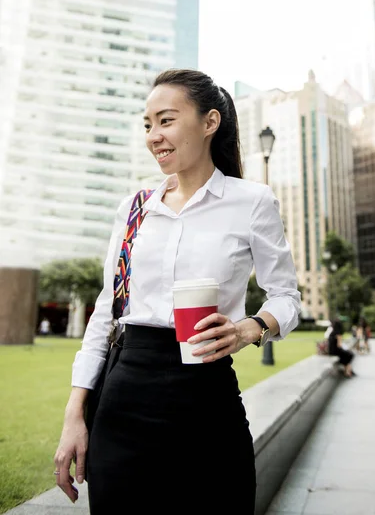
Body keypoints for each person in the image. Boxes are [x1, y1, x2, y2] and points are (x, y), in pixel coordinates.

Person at [53, 69, 301, 514]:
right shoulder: (134, 209)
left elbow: (285, 296)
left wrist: (250, 328)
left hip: (207, 397)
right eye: (147, 124)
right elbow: (106, 313)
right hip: (125, 396)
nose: (154, 136)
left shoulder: (252, 202)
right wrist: (75, 414)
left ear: (209, 123)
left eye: (166, 120)